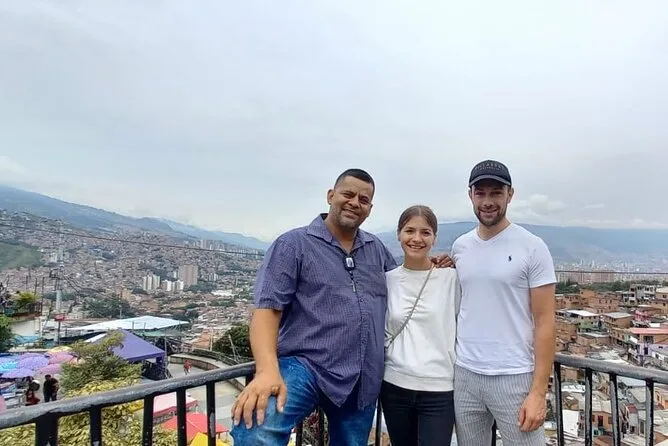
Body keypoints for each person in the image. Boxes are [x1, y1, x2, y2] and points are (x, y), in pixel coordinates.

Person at [230, 168, 453, 446]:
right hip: (306, 365)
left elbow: (405, 280)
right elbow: (268, 309)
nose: (355, 202)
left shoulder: (375, 249)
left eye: (363, 199)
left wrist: (436, 264)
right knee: (258, 427)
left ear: (369, 209)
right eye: (348, 194)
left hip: (362, 376)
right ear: (330, 196)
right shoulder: (293, 245)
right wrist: (266, 371)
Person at [451, 160, 556, 446]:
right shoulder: (460, 246)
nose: (487, 201)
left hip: (514, 375)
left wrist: (538, 392)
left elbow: (546, 321)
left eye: (496, 193)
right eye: (480, 193)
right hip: (465, 374)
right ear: (470, 195)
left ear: (510, 195)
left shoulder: (533, 247)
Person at [381, 205, 459, 446]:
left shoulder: (451, 278)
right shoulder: (387, 280)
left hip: (439, 388)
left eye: (425, 232)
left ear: (434, 238)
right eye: (409, 231)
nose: (416, 238)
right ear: (398, 234)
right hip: (395, 385)